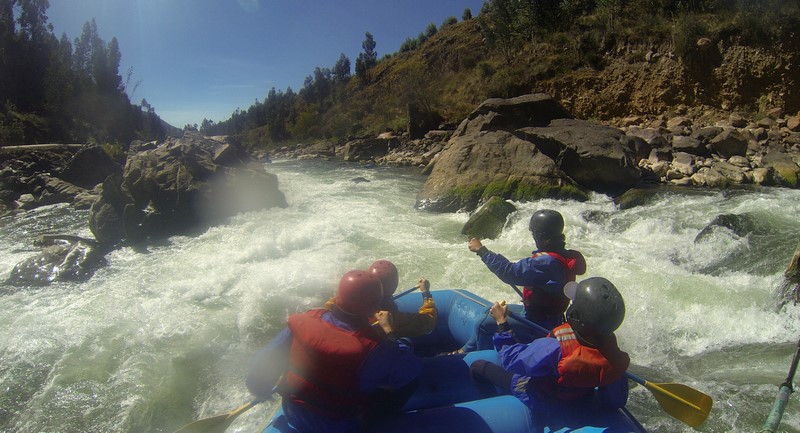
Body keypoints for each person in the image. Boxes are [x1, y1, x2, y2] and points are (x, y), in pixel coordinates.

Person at [246, 270, 422, 433]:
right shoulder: (374, 348)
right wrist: (391, 334)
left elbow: (264, 361)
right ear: (374, 306)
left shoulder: (305, 320)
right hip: (338, 425)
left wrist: (260, 390)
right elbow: (410, 369)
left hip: (293, 413)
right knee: (410, 378)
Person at [469, 277, 630, 415]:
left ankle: (487, 402)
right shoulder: (612, 353)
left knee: (477, 366)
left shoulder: (554, 347)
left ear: (574, 314)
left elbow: (511, 360)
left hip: (544, 400)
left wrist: (501, 323)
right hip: (581, 399)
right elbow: (615, 400)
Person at [458, 209, 587, 352]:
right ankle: (464, 350)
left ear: (540, 235)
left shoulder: (546, 263)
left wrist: (482, 251)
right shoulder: (564, 255)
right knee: (487, 311)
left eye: (534, 234)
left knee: (482, 324)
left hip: (539, 324)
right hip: (546, 316)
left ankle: (481, 358)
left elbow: (509, 272)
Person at [368, 259, 437, 337]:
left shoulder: (359, 309)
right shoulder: (394, 317)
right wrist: (426, 293)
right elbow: (428, 321)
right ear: (394, 285)